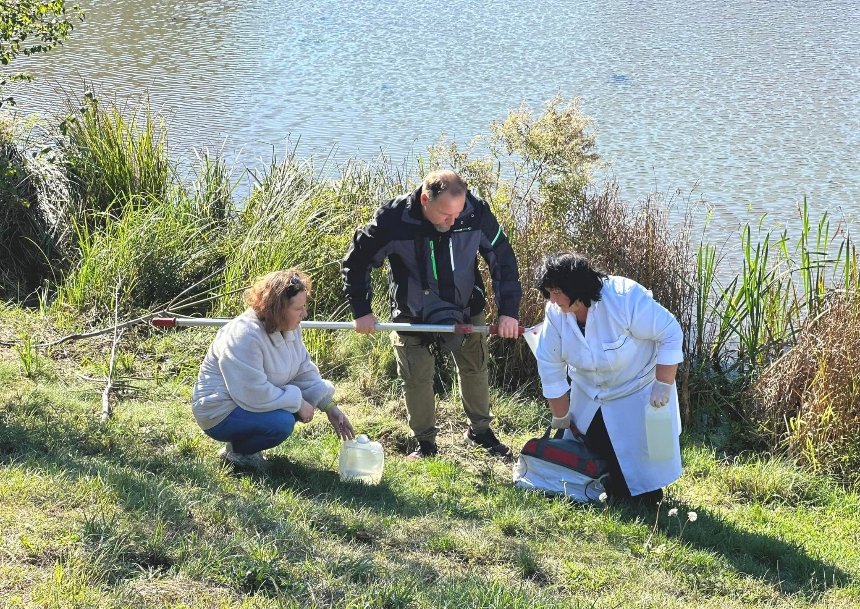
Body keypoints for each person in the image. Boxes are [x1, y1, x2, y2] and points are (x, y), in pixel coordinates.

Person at [342, 170, 522, 459]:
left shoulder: (475, 212)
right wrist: (361, 311)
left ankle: (480, 432)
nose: (452, 222)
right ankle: (425, 443)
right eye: (444, 215)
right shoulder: (393, 218)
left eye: (457, 214)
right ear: (425, 199)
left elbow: (502, 258)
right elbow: (356, 261)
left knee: (475, 369)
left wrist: (508, 312)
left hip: (466, 309)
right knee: (415, 378)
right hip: (411, 312)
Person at [533, 253, 683, 504]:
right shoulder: (556, 313)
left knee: (641, 467)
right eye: (549, 292)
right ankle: (602, 490)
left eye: (557, 291)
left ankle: (646, 499)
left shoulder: (625, 299)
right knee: (593, 450)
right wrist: (560, 416)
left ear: (577, 286)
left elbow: (670, 332)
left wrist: (663, 383)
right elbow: (549, 364)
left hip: (637, 389)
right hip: (589, 392)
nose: (552, 299)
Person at [191, 269, 355, 468]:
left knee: (289, 413)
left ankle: (244, 447)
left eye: (304, 307)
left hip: (248, 403)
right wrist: (298, 402)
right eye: (298, 309)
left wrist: (329, 407)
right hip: (220, 412)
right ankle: (238, 453)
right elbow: (253, 392)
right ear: (278, 308)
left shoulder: (290, 328)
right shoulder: (243, 336)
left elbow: (303, 370)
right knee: (282, 422)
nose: (305, 314)